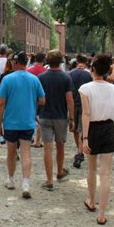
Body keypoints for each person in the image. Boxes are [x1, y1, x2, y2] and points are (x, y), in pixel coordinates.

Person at [0, 51, 46, 199]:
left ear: (16, 63)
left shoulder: (7, 79)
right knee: (26, 152)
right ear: (27, 63)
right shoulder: (34, 79)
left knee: (11, 152)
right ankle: (26, 183)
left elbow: (1, 103)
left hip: (11, 122)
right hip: (28, 121)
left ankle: (10, 180)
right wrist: (31, 104)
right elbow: (43, 100)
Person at [79, 54, 114, 225]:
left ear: (93, 69)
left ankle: (91, 200)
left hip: (93, 128)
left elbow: (86, 113)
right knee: (106, 173)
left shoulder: (85, 88)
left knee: (91, 169)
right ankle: (102, 213)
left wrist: (85, 137)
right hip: (109, 127)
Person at [38, 50, 75, 191]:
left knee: (47, 148)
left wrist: (36, 113)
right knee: (60, 145)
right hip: (60, 116)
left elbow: (38, 98)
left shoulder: (41, 78)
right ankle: (59, 171)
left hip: (45, 115)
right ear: (61, 62)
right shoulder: (66, 78)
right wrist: (71, 117)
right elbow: (70, 99)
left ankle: (49, 180)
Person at [69, 54, 92, 169]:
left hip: (73, 103)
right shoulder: (89, 74)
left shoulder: (70, 73)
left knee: (74, 128)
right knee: (82, 129)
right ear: (86, 62)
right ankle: (79, 151)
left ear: (77, 61)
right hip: (85, 103)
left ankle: (79, 151)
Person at [27, 52, 47, 147]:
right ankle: (38, 141)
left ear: (35, 60)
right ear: (44, 60)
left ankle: (30, 138)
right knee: (40, 119)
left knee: (30, 117)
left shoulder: (29, 70)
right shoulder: (45, 71)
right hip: (42, 97)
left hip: (31, 96)